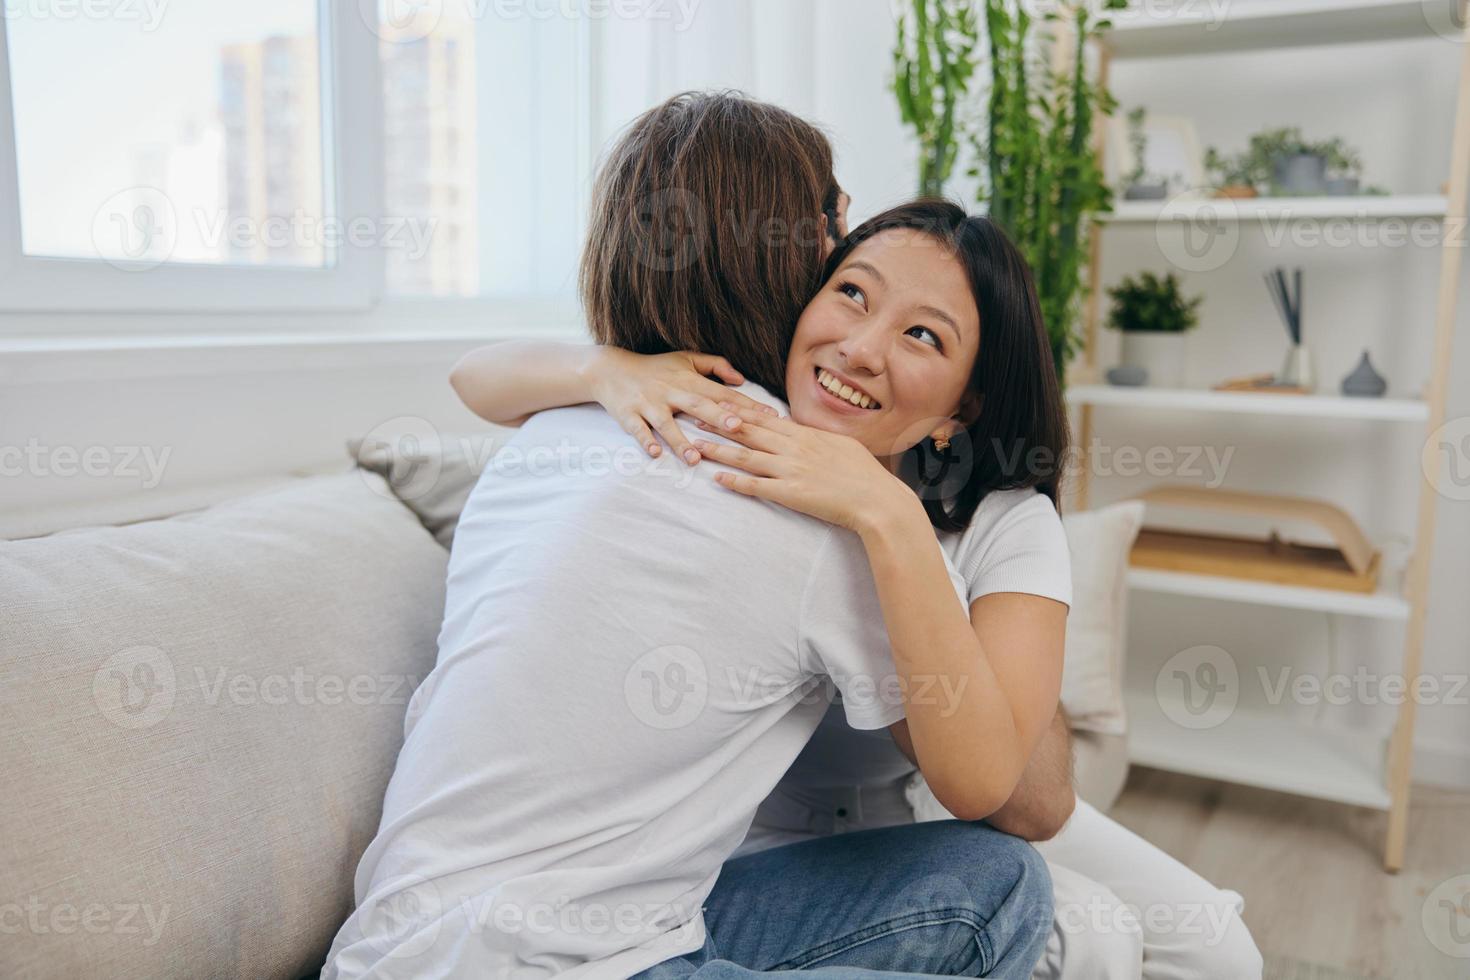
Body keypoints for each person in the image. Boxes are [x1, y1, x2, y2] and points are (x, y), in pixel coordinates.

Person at [322, 92, 1054, 980]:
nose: (844, 245)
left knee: (991, 878)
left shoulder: (562, 424)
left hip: (399, 942)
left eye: (920, 335)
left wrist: (599, 369)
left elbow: (478, 375)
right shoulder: (806, 506)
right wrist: (887, 512)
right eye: (837, 239)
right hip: (557, 963)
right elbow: (982, 781)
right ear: (781, 257)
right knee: (1008, 889)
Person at [452, 209, 1265, 979]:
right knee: (1089, 933)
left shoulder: (1001, 521)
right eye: (851, 293)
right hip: (752, 849)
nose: (861, 348)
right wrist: (602, 367)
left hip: (929, 827)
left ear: (961, 409)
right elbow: (474, 376)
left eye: (920, 335)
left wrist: (888, 513)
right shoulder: (752, 432)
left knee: (1218, 949)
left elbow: (1027, 798)